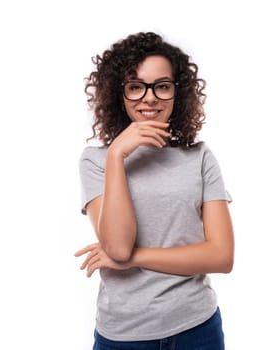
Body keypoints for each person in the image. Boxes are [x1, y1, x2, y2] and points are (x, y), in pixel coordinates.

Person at [74, 31, 235, 349]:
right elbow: (117, 247)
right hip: (124, 335)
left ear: (177, 93)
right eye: (136, 87)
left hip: (198, 329)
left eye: (162, 86)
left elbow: (221, 256)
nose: (149, 97)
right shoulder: (96, 161)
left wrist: (135, 259)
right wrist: (118, 154)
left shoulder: (199, 157)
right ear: (120, 94)